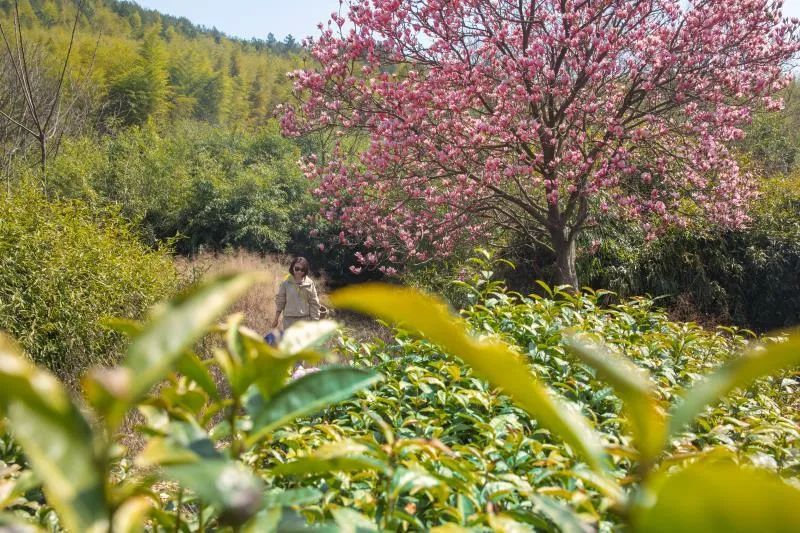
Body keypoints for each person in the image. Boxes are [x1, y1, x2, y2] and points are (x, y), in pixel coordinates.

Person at [271, 256, 321, 331]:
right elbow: (281, 302)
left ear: (306, 270)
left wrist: (315, 322)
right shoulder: (286, 283)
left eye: (302, 269)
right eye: (297, 269)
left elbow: (314, 304)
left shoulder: (310, 283)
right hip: (289, 321)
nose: (299, 271)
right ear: (292, 268)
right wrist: (276, 319)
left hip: (305, 321)